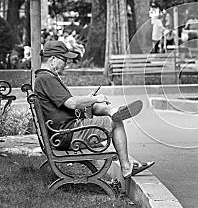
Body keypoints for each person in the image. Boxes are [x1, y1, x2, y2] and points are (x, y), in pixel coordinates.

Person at [34, 41, 154, 178]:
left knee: (93, 106)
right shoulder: (47, 78)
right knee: (115, 122)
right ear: (53, 59)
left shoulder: (44, 77)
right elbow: (71, 103)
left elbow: (67, 104)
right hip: (66, 135)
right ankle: (126, 167)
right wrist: (95, 99)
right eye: (64, 59)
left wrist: (88, 100)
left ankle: (112, 110)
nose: (67, 64)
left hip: (63, 132)